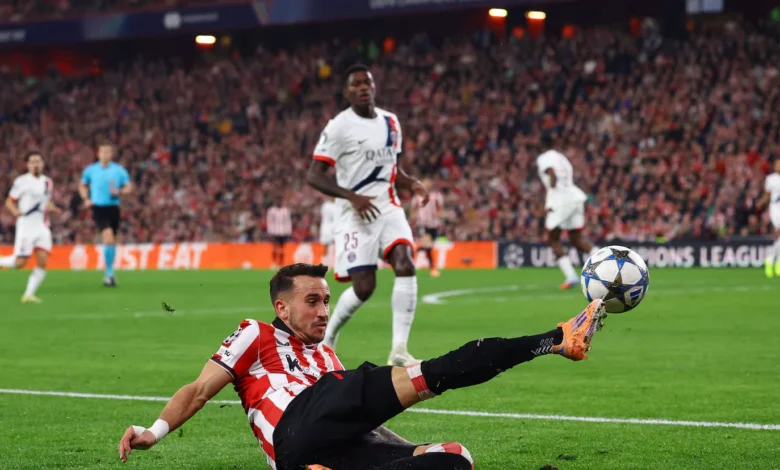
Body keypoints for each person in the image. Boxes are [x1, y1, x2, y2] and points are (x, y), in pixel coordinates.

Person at [118, 263, 607, 470]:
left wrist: (406, 451)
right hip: (294, 424)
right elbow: (199, 390)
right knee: (433, 372)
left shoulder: (328, 357)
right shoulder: (256, 333)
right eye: (312, 301)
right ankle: (556, 340)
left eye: (327, 301)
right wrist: (153, 432)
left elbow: (358, 416)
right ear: (282, 307)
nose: (324, 311)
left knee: (454, 458)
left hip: (327, 448)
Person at [307, 63, 429, 366]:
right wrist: (351, 196)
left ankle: (399, 350)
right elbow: (314, 175)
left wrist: (411, 183)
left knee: (405, 264)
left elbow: (392, 170)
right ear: (347, 92)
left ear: (374, 87)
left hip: (388, 207)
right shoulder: (339, 127)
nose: (363, 88)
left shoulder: (391, 122)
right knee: (365, 287)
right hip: (354, 213)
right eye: (356, 84)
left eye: (367, 82)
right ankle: (329, 338)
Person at [536, 135, 598, 289]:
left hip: (561, 200)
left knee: (553, 239)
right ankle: (606, 259)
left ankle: (571, 276)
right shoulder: (561, 157)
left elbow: (552, 173)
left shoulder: (544, 158)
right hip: (575, 196)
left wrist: (551, 198)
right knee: (576, 238)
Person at [0, 151, 62, 302]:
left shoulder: (48, 182)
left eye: (38, 161)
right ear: (27, 165)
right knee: (20, 263)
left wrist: (52, 208)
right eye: (33, 162)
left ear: (43, 164)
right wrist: (15, 212)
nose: (36, 164)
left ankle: (28, 295)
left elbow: (45, 202)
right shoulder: (21, 181)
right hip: (26, 226)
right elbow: (9, 201)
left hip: (42, 226)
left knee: (42, 261)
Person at [79, 142, 132, 287]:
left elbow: (128, 186)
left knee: (111, 240)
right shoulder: (91, 170)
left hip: (114, 208)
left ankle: (109, 271)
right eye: (103, 152)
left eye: (108, 152)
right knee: (108, 237)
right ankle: (109, 274)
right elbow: (82, 185)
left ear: (111, 154)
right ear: (98, 154)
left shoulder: (119, 170)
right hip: (98, 208)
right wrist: (86, 198)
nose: (105, 154)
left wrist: (120, 191)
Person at [410, 178, 444, 277]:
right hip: (422, 224)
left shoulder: (437, 196)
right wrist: (413, 217)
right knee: (427, 245)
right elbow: (413, 209)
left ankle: (415, 252)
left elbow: (440, 209)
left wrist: (440, 215)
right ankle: (433, 268)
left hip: (434, 225)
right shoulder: (417, 197)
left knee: (429, 246)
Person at [761, 158, 780, 278]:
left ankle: (772, 260)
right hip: (775, 207)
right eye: (777, 164)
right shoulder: (770, 179)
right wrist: (761, 203)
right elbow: (767, 194)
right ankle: (776, 262)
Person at [267, 200, 293, 269]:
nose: (279, 203)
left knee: (282, 248)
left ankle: (281, 263)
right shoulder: (272, 210)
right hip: (274, 232)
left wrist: (288, 231)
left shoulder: (285, 211)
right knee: (274, 247)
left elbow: (288, 221)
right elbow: (270, 221)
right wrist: (270, 231)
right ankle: (274, 263)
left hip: (283, 232)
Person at [319, 197, 339, 269]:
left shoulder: (326, 205)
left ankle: (331, 264)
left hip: (329, 229)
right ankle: (326, 265)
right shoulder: (328, 205)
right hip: (330, 229)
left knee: (331, 249)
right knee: (327, 249)